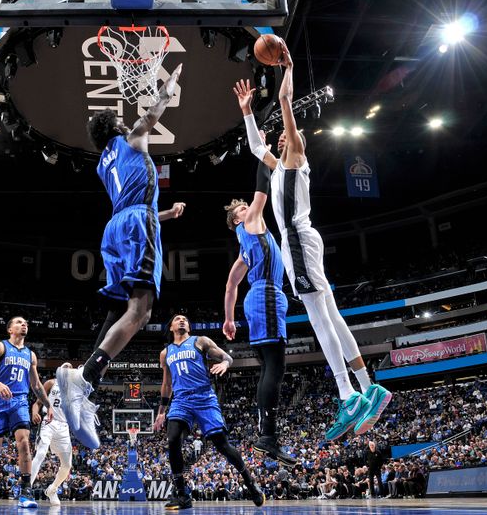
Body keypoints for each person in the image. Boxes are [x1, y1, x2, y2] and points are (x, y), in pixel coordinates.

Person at [233, 44, 391, 441]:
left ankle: (346, 395)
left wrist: (286, 67)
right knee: (331, 315)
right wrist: (248, 113)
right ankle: (366, 386)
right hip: (301, 243)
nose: (285, 139)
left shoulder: (296, 158)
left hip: (299, 243)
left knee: (320, 318)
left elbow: (286, 99)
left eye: (290, 136)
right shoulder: (277, 166)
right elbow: (255, 148)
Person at [57, 64, 185, 450]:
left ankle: (84, 382)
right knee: (141, 310)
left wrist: (163, 215)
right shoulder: (131, 140)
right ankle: (84, 378)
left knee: (117, 311)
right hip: (135, 224)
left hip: (116, 228)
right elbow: (150, 117)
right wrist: (166, 91)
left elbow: (130, 202)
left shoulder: (103, 163)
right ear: (116, 128)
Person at [222, 168, 295, 466]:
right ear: (239, 219)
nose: (248, 208)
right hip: (266, 295)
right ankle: (267, 436)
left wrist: (229, 319)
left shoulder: (245, 249)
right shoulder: (250, 223)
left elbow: (230, 286)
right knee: (275, 366)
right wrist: (262, 154)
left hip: (258, 298)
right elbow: (261, 189)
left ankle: (268, 434)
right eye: (243, 208)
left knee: (269, 366)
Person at [154, 314, 265, 509]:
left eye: (185, 319)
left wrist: (224, 364)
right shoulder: (166, 353)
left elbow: (227, 356)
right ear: (170, 327)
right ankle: (181, 494)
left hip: (204, 397)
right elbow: (167, 383)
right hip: (181, 400)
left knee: (222, 445)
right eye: (177, 319)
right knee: (172, 439)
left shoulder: (200, 341)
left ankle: (249, 482)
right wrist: (161, 411)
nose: (182, 320)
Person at [0, 316, 53, 508]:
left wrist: (48, 405)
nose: (24, 324)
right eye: (19, 322)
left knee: (25, 443)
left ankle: (25, 492)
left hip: (19, 402)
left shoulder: (31, 355)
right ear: (10, 329)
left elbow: (36, 385)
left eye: (26, 322)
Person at [29, 363, 73, 506]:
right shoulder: (51, 383)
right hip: (49, 422)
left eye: (69, 369)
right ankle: (26, 488)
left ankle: (52, 489)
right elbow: (36, 403)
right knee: (41, 453)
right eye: (64, 368)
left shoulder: (74, 389)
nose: (67, 370)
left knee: (67, 465)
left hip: (64, 427)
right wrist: (35, 412)